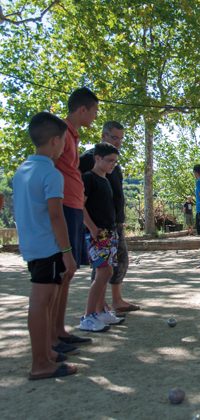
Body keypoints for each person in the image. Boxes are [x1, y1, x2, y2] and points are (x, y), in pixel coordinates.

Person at [13, 112, 78, 380]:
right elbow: (55, 215)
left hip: (31, 244)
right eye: (63, 141)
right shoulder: (51, 174)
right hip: (48, 247)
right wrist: (67, 253)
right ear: (54, 141)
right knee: (41, 302)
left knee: (46, 299)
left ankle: (47, 353)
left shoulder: (23, 170)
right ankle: (40, 363)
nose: (65, 146)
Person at [54, 87, 99, 346]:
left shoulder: (73, 135)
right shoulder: (60, 133)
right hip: (64, 206)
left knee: (68, 272)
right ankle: (52, 334)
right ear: (83, 109)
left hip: (72, 206)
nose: (94, 117)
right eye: (94, 111)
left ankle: (59, 330)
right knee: (61, 271)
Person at [79, 121, 139, 314]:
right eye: (114, 137)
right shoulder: (89, 159)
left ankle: (116, 300)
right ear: (103, 136)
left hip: (114, 223)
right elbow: (82, 196)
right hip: (98, 225)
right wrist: (90, 225)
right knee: (101, 267)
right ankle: (98, 306)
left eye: (121, 138)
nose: (119, 142)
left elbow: (115, 193)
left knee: (119, 262)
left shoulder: (114, 162)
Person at [79, 143, 123, 331]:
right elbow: (80, 206)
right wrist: (93, 228)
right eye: (109, 161)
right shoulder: (89, 178)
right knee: (103, 272)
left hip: (109, 232)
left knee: (108, 272)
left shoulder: (106, 179)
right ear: (97, 158)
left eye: (115, 161)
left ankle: (100, 311)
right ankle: (88, 316)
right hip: (97, 233)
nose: (113, 164)